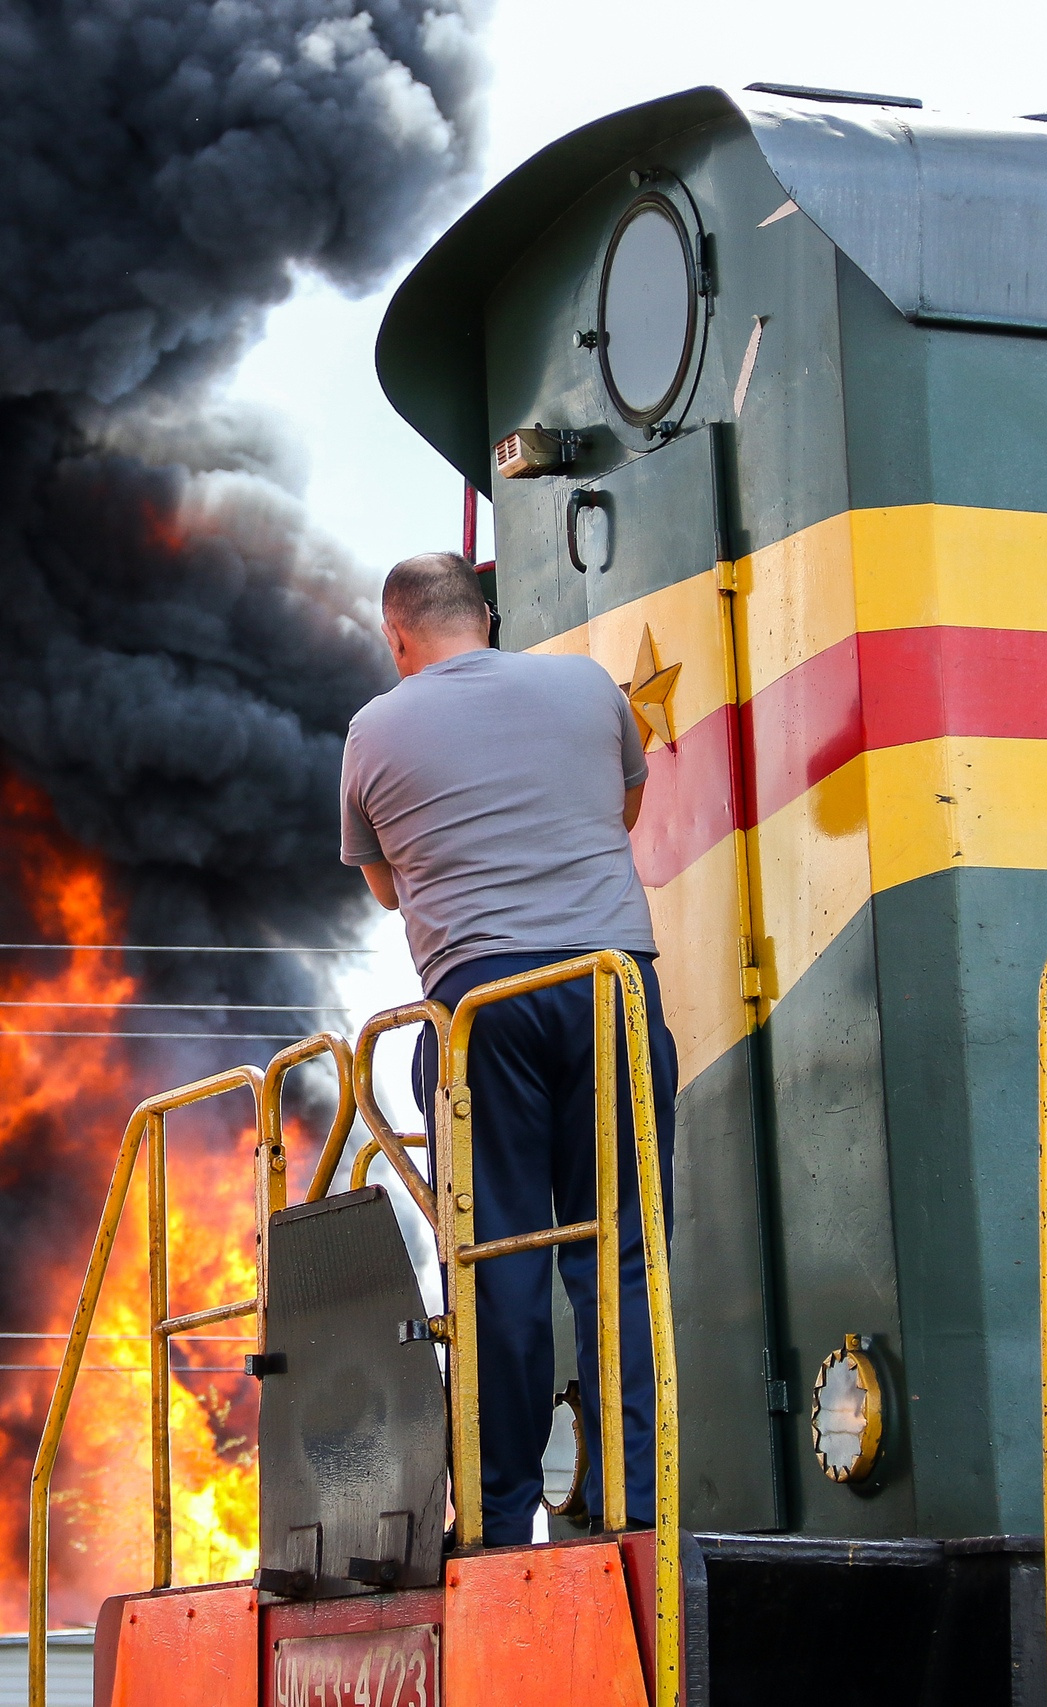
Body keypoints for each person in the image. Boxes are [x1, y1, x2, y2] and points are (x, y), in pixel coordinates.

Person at [338, 550, 679, 1543]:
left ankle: (496, 1516)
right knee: (619, 1255)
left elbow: (387, 885)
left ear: (398, 636)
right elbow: (622, 809)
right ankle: (634, 1504)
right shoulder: (585, 686)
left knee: (497, 1266)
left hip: (479, 1008)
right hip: (611, 986)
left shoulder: (374, 729)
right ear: (483, 615)